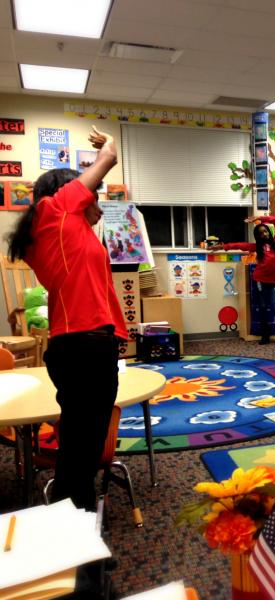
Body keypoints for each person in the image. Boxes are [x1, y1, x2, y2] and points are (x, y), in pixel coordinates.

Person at [6, 127, 123, 513]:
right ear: (67, 196)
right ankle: (74, 534)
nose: (95, 201)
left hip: (85, 345)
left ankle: (75, 531)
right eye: (90, 194)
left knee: (80, 454)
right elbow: (108, 158)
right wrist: (107, 146)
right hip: (84, 347)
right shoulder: (52, 214)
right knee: (80, 457)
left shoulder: (66, 231)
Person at [210, 216, 275, 347]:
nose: (264, 234)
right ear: (258, 236)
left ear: (269, 232)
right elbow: (240, 245)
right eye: (261, 233)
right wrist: (223, 247)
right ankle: (265, 335)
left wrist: (258, 218)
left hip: (273, 281)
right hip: (261, 280)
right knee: (263, 307)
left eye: (265, 231)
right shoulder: (257, 246)